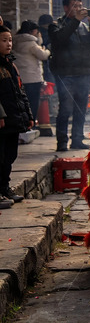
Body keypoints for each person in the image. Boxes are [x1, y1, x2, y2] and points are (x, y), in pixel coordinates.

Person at [49, 0, 90, 151]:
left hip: (83, 73)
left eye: (80, 5)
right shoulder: (56, 25)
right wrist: (76, 21)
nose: (79, 9)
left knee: (80, 109)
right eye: (75, 6)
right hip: (65, 73)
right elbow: (60, 39)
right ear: (66, 8)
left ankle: (77, 139)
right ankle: (62, 142)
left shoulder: (83, 27)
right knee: (65, 109)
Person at [0, 25, 34, 208]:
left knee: (9, 156)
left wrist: (28, 115)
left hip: (13, 118)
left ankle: (5, 188)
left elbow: (21, 92)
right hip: (2, 120)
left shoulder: (11, 65)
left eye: (10, 40)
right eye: (3, 40)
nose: (8, 44)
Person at [12, 21, 51, 129]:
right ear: (33, 31)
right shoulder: (32, 43)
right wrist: (46, 49)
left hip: (20, 77)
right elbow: (43, 55)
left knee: (22, 102)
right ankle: (31, 124)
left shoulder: (15, 42)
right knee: (33, 103)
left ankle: (22, 124)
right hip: (33, 78)